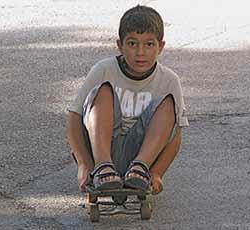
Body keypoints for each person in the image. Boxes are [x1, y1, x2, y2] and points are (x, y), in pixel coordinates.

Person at [66, 5, 188, 195]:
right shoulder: (104, 69)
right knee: (103, 91)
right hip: (102, 150)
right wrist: (84, 165)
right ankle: (103, 167)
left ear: (161, 47)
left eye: (149, 44)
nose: (140, 52)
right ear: (119, 45)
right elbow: (74, 117)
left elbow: (175, 135)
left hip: (143, 156)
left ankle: (140, 168)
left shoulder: (169, 80)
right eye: (132, 43)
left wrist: (157, 173)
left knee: (169, 104)